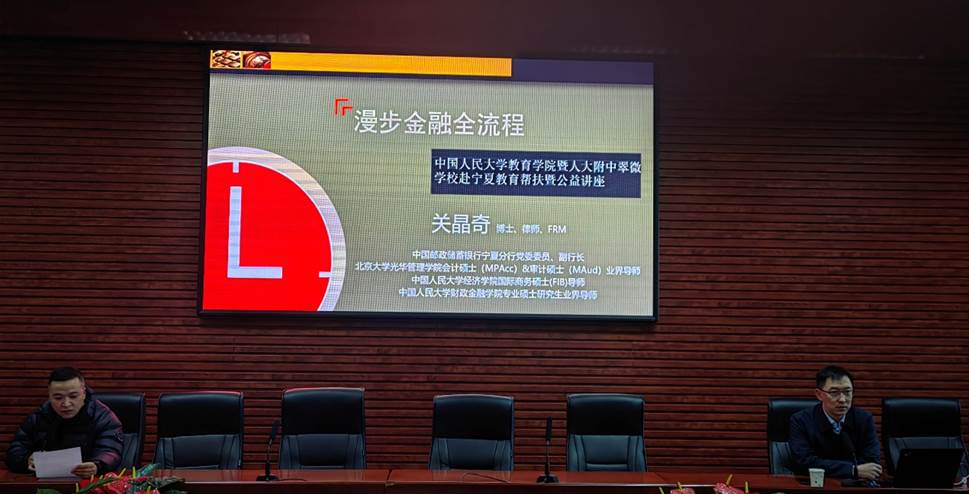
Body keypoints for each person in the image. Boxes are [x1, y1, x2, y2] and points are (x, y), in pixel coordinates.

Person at [5, 367, 123, 476]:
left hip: (89, 483)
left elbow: (111, 450)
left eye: (73, 396)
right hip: (45, 483)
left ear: (83, 393)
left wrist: (97, 465)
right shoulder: (40, 416)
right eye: (58, 398)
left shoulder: (102, 417)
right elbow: (15, 450)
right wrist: (26, 460)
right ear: (49, 395)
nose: (66, 404)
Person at [789, 365, 882, 481]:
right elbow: (804, 462)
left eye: (847, 392)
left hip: (856, 485)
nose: (842, 399)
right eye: (834, 392)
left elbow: (872, 463)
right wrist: (852, 470)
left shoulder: (863, 419)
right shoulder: (801, 421)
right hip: (817, 485)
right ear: (819, 394)